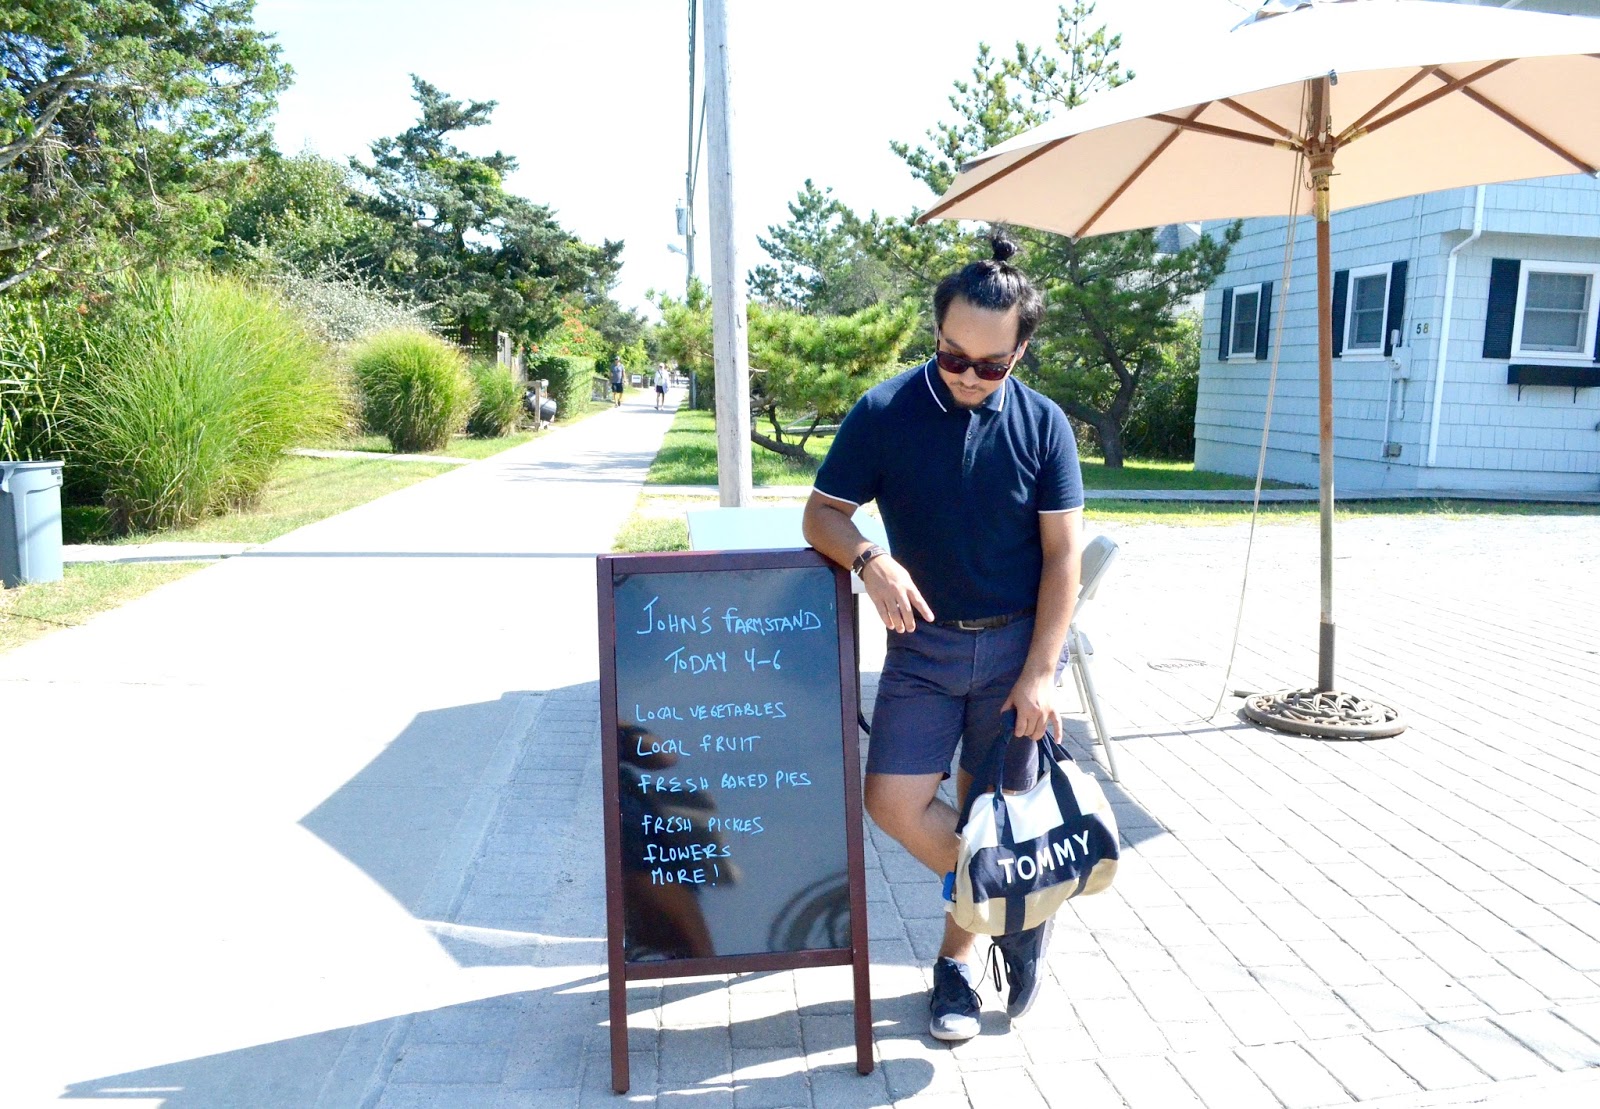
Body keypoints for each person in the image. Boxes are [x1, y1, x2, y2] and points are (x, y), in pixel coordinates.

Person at [801, 235, 1083, 1043]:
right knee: (891, 801)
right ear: (936, 332)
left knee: (991, 810)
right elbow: (821, 514)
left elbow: (1063, 557)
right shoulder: (885, 411)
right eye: (953, 355)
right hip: (923, 648)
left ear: (1020, 351)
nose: (966, 375)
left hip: (1015, 653)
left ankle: (956, 968)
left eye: (990, 365)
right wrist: (870, 559)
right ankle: (1017, 908)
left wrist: (1041, 673)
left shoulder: (1044, 425)